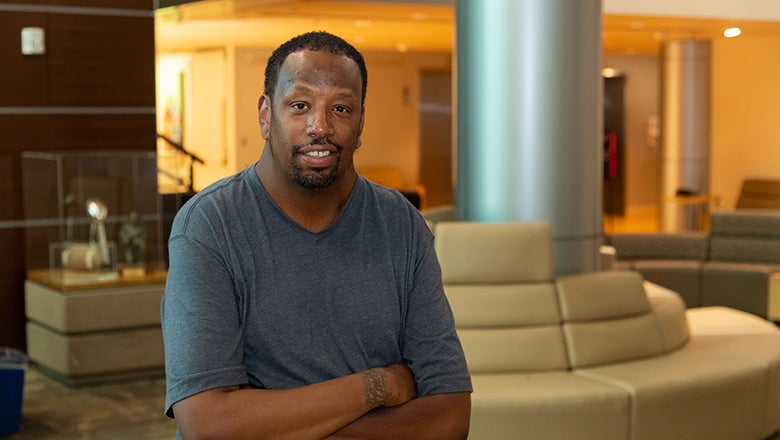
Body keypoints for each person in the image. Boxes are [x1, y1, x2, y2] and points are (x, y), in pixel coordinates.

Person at [161, 31, 472, 439]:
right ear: (264, 115)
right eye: (300, 105)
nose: (320, 126)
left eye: (341, 108)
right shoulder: (209, 227)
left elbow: (450, 418)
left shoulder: (401, 224)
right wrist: (379, 384)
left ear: (360, 123)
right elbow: (209, 426)